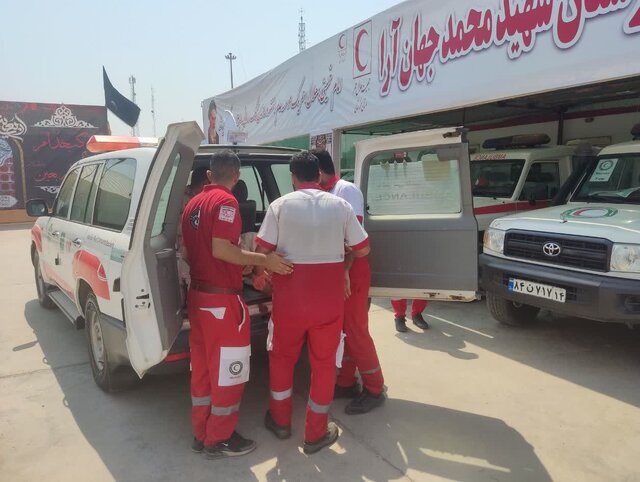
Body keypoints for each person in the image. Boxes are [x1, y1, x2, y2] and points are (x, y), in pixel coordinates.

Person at [180, 150, 293, 459]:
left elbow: (188, 253)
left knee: (202, 371)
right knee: (230, 372)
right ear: (237, 176)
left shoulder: (191, 205)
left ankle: (201, 433)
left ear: (209, 175)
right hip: (221, 301)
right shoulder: (227, 203)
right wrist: (264, 261)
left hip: (198, 298)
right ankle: (219, 439)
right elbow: (222, 250)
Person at [255, 151, 370, 454]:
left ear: (293, 178)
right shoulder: (341, 206)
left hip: (289, 303)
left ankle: (280, 421)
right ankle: (315, 433)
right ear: (319, 174)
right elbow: (363, 248)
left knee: (282, 360)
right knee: (324, 365)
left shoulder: (280, 206)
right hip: (328, 305)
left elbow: (262, 250)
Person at [314, 149, 386, 415]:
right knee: (343, 330)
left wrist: (345, 269)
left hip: (352, 269)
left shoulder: (346, 190)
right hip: (337, 270)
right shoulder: (324, 193)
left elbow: (354, 240)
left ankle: (375, 388)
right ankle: (346, 382)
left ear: (319, 172)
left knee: (356, 331)